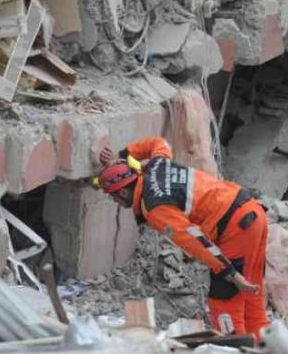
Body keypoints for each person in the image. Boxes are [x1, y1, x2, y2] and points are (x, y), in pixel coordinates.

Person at [96, 137, 269, 336]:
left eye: (113, 197)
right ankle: (266, 353)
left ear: (123, 192)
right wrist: (122, 156)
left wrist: (229, 273)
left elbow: (192, 240)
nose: (115, 202)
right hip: (252, 211)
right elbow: (159, 143)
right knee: (252, 298)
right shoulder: (156, 166)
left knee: (224, 302)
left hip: (235, 229)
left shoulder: (155, 209)